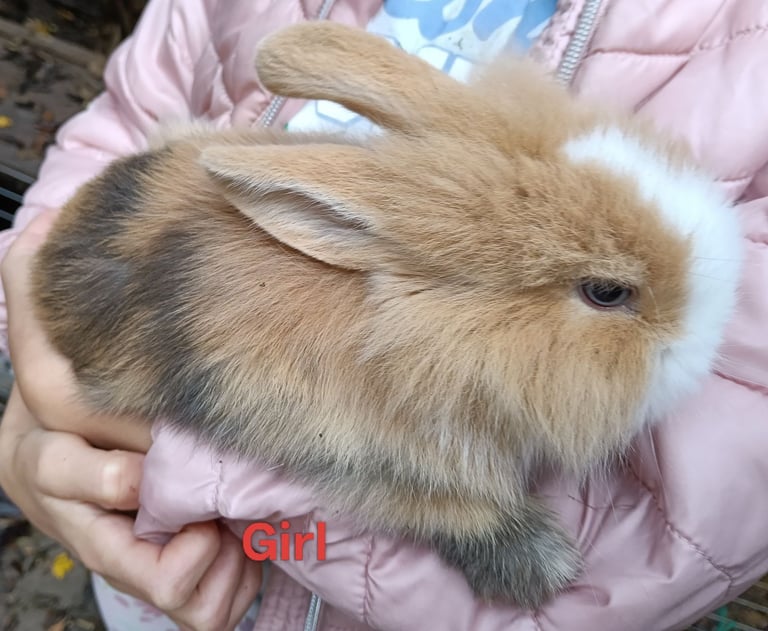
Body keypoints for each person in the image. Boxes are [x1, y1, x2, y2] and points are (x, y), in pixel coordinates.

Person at [1, 0, 767, 629]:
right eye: (607, 292)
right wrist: (31, 375)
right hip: (140, 553)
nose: (686, 332)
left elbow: (662, 541)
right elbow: (136, 111)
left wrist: (172, 469)